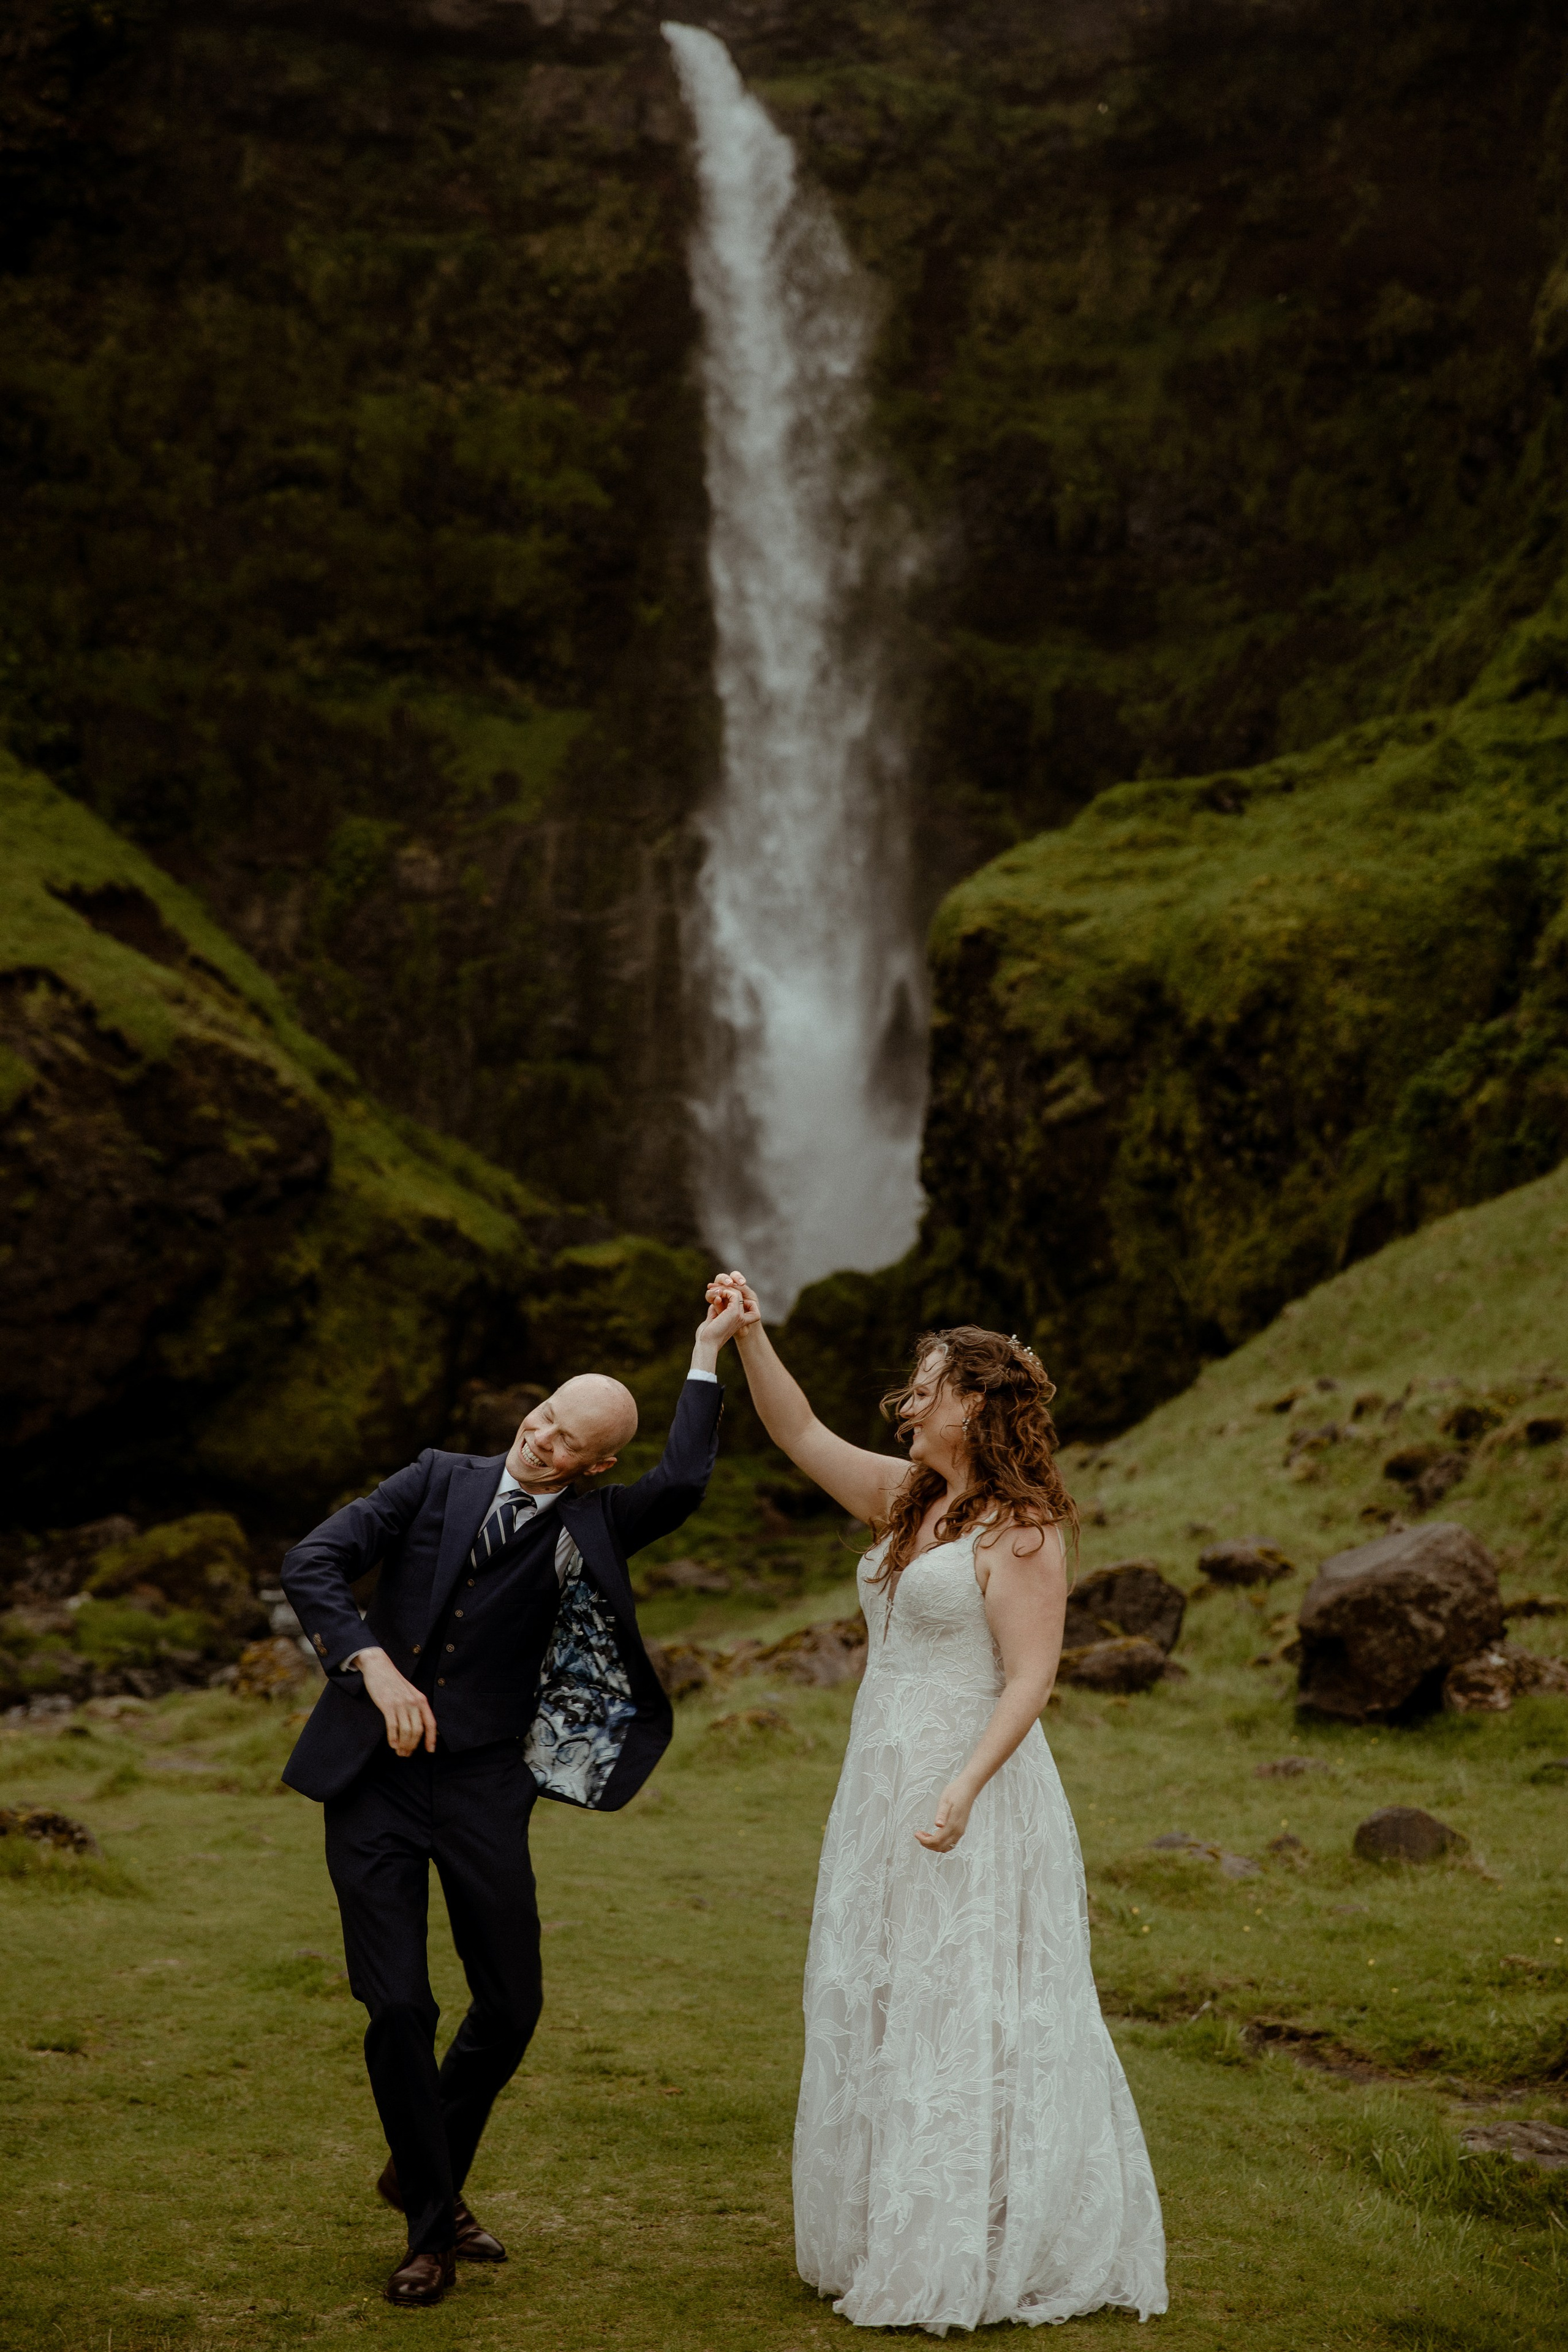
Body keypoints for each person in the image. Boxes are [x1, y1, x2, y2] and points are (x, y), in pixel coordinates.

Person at [278, 1282, 745, 2309]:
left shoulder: (596, 1524)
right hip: (370, 1779)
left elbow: (685, 1478)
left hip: (486, 1785)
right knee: (399, 2003)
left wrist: (709, 1348)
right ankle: (430, 2230)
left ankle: (420, 2165)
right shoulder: (434, 1476)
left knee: (511, 2005)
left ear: (596, 1464)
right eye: (542, 1418)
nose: (541, 1441)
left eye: (568, 1440)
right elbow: (312, 1560)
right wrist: (368, 1662)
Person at [715, 1278, 1167, 2332]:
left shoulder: (1022, 1530)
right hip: (881, 1779)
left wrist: (963, 1785)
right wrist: (748, 1337)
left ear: (976, 1404)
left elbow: (1030, 1679)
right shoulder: (907, 1500)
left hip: (974, 1786)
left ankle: (984, 2235)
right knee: (887, 1993)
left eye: (927, 1386)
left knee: (966, 1997)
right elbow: (797, 1432)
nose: (908, 1402)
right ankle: (893, 2222)